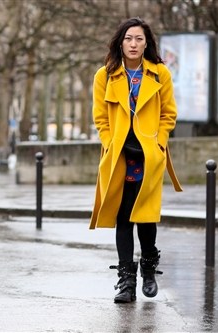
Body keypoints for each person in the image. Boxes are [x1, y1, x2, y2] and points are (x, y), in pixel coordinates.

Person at [89, 17, 183, 303]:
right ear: (120, 42)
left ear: (147, 43)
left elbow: (169, 114)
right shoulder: (104, 76)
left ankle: (149, 268)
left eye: (139, 39)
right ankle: (127, 282)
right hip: (118, 155)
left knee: (146, 215)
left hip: (148, 155)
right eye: (128, 38)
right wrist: (109, 143)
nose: (133, 44)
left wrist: (158, 142)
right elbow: (100, 118)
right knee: (122, 216)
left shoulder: (159, 74)